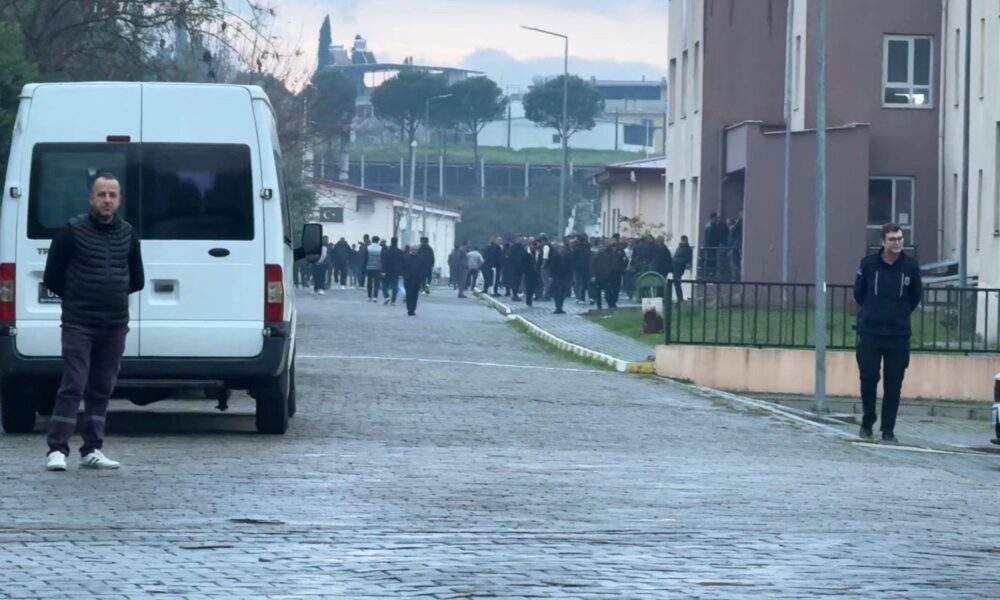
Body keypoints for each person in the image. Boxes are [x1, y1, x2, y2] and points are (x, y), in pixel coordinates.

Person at [42, 172, 144, 471]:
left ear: (119, 199)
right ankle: (57, 450)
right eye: (102, 194)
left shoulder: (128, 233)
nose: (107, 200)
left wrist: (111, 295)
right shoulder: (71, 231)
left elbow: (136, 278)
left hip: (114, 324)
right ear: (91, 198)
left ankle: (92, 449)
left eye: (112, 195)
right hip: (79, 322)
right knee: (73, 384)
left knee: (101, 387)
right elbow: (52, 277)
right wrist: (80, 296)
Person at [852, 223, 922, 444]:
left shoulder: (910, 266)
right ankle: (867, 422)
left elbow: (915, 296)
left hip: (898, 334)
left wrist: (899, 313)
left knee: (894, 384)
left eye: (900, 238)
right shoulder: (869, 264)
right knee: (868, 378)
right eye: (892, 239)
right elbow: (859, 293)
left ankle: (888, 429)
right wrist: (872, 313)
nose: (897, 242)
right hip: (871, 332)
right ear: (883, 241)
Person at [547, 241, 573, 314]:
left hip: (564, 276)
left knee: (562, 293)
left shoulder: (567, 256)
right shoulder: (555, 256)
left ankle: (560, 306)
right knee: (557, 293)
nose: (561, 249)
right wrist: (551, 275)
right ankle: (558, 307)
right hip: (557, 276)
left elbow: (570, 266)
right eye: (560, 248)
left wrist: (569, 276)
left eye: (562, 248)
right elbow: (552, 267)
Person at [401, 243, 425, 316]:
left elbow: (422, 270)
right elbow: (402, 267)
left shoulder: (420, 259)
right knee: (408, 295)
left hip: (416, 280)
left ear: (417, 251)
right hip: (408, 279)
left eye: (416, 250)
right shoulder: (406, 257)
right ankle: (409, 309)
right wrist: (404, 275)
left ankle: (413, 309)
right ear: (410, 250)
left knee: (415, 296)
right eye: (413, 250)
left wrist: (421, 279)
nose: (414, 251)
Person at [381, 237, 404, 305]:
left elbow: (384, 262)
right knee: (395, 286)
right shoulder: (400, 252)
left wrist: (383, 271)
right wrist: (402, 272)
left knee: (384, 284)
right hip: (396, 271)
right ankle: (393, 300)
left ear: (391, 242)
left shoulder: (387, 251)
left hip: (387, 270)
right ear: (397, 242)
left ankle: (386, 296)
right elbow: (402, 262)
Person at [672, 235, 693, 303]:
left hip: (680, 267)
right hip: (675, 266)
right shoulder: (679, 247)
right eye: (682, 240)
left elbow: (687, 259)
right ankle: (679, 298)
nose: (683, 241)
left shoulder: (687, 249)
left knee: (677, 282)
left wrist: (678, 261)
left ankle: (680, 298)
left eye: (684, 240)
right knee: (676, 283)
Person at [572, 234, 592, 304]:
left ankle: (579, 297)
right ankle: (590, 297)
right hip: (586, 268)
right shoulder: (587, 247)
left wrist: (573, 267)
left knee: (578, 283)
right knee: (586, 283)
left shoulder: (576, 248)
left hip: (578, 268)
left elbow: (573, 258)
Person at [365, 235, 383, 302]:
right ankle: (375, 297)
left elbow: (365, 258)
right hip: (378, 268)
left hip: (369, 267)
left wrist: (364, 267)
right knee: (376, 283)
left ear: (372, 240)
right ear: (378, 241)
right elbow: (383, 258)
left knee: (369, 283)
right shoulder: (381, 248)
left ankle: (369, 296)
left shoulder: (368, 248)